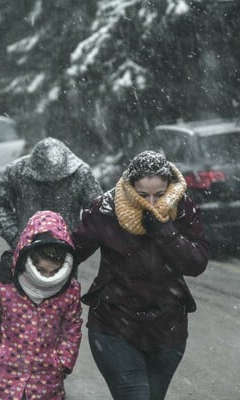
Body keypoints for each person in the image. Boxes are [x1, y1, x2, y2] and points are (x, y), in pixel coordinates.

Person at [72, 150, 209, 400]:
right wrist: (27, 259)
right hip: (113, 325)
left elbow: (197, 263)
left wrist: (165, 232)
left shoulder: (182, 208)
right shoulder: (106, 209)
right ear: (130, 187)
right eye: (143, 195)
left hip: (168, 328)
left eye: (159, 194)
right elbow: (71, 252)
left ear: (169, 188)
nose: (152, 203)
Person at [0, 210, 82, 400]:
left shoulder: (69, 290)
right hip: (2, 379)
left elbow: (71, 328)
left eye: (54, 272)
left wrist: (63, 361)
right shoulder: (3, 283)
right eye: (40, 270)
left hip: (47, 381)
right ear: (27, 258)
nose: (46, 277)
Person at [0, 137, 103, 249]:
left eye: (56, 182)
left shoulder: (80, 173)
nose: (50, 184)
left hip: (66, 249)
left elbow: (97, 212)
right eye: (44, 182)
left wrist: (79, 243)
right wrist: (15, 237)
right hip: (26, 247)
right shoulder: (17, 171)